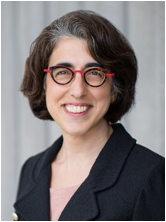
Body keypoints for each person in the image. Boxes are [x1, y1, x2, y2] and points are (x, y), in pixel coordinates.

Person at [13, 10, 165, 221]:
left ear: (115, 89)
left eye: (94, 73)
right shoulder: (32, 170)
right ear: (44, 83)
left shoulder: (150, 175)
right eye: (63, 72)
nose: (77, 90)